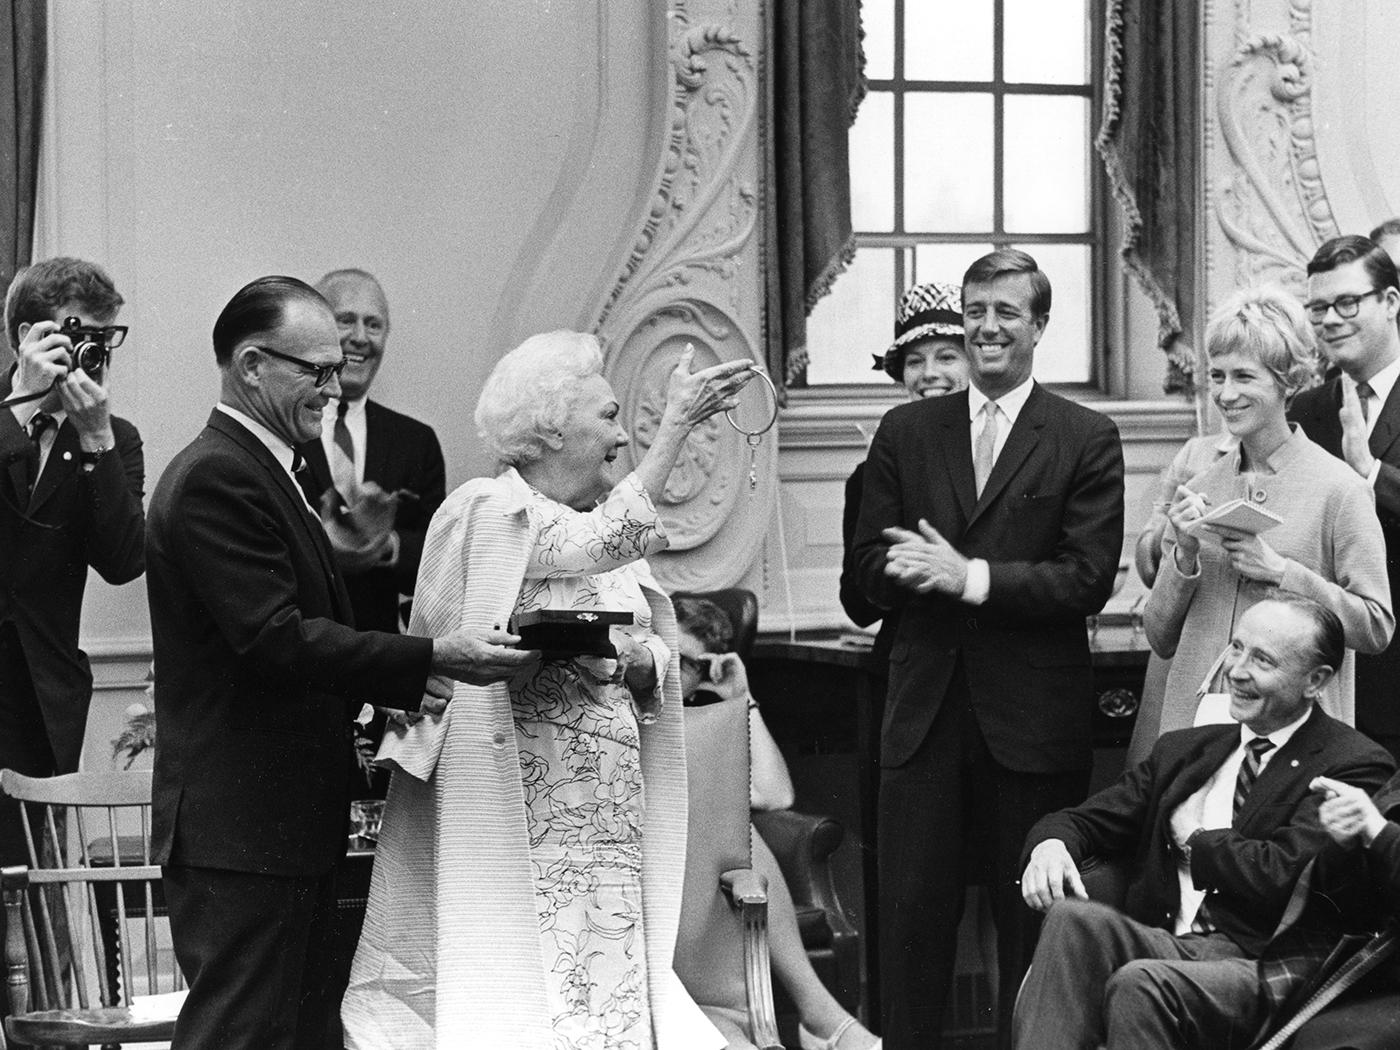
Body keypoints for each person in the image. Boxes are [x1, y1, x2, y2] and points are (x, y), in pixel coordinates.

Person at [145, 275, 537, 1050]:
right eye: (314, 372)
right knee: (242, 1035)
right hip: (246, 837)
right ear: (251, 365)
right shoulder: (217, 476)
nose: (335, 388)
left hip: (278, 828)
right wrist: (433, 657)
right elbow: (277, 638)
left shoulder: (263, 467)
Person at [342, 332, 757, 1049]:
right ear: (550, 427)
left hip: (608, 827)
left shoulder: (598, 526)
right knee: (528, 1009)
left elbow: (654, 645)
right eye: (610, 417)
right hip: (519, 819)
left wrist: (640, 660)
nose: (623, 438)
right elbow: (592, 546)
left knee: (608, 1002)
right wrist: (679, 424)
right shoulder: (487, 511)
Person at [850, 248, 1125, 1048]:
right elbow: (867, 571)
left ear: (1040, 325)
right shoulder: (907, 431)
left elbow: (1085, 580)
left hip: (1033, 729)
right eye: (976, 310)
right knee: (910, 937)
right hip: (922, 723)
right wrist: (907, 572)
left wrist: (966, 577)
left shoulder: (1085, 436)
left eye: (1007, 311)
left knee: (1032, 937)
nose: (987, 326)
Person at [1013, 593, 1396, 1050]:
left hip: (1259, 963)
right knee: (1071, 920)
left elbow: (1284, 875)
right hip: (1167, 940)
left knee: (1141, 982)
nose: (1236, 670)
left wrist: (1196, 840)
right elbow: (1082, 821)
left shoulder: (1350, 762)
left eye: (1263, 660)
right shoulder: (1185, 750)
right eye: (1236, 648)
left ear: (1315, 681)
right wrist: (1051, 845)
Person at [1147, 284, 1393, 737]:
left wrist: (1284, 572)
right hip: (1193, 742)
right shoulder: (1198, 487)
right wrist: (1182, 557)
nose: (1225, 393)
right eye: (1217, 376)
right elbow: (1160, 639)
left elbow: (1376, 629)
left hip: (1297, 751)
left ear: (1290, 382)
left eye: (1244, 376)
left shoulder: (1340, 489)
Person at [0, 257, 144, 1017]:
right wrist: (21, 411)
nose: (94, 355)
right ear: (28, 335)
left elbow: (124, 560)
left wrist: (93, 442)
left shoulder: (114, 438)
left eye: (105, 341)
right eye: (76, 336)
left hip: (44, 696)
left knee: (42, 902)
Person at [673, 596, 881, 1050]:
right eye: (669, 653)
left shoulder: (705, 723)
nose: (673, 671)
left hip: (697, 878)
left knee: (735, 828)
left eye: (690, 665)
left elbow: (775, 794)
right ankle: (818, 1016)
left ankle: (806, 1016)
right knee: (730, 828)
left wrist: (740, 698)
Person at [297, 268, 447, 799]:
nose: (360, 337)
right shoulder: (284, 429)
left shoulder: (416, 442)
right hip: (299, 665)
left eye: (374, 324)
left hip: (382, 667)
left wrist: (382, 548)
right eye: (345, 320)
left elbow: (436, 551)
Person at [1290, 235, 1400, 759]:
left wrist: (1371, 472)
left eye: (1347, 303)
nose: (1331, 319)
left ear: (1392, 302)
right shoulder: (1304, 410)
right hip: (1320, 688)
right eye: (1318, 308)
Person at [839, 279, 970, 635]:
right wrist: (902, 571)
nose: (929, 373)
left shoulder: (1009, 452)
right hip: (909, 669)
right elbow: (857, 606)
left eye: (946, 356)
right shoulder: (872, 474)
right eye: (915, 361)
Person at [1126, 432, 1234, 765]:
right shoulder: (1196, 453)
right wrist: (1175, 530)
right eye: (1217, 377)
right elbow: (1148, 567)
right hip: (1185, 641)